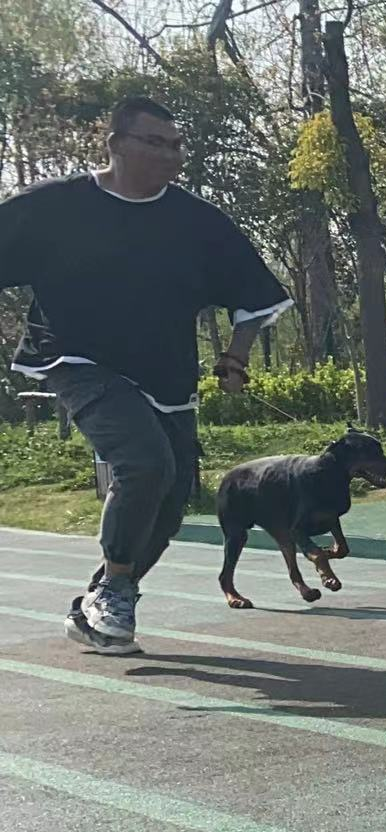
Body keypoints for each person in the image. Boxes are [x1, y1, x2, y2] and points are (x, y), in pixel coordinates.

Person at [0, 96, 293, 655]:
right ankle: (115, 588)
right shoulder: (54, 206)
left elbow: (253, 294)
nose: (171, 155)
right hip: (75, 359)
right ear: (115, 144)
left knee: (172, 497)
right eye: (155, 143)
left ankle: (101, 599)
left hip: (165, 373)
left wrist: (236, 356)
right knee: (144, 461)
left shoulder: (197, 221)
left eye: (177, 145)